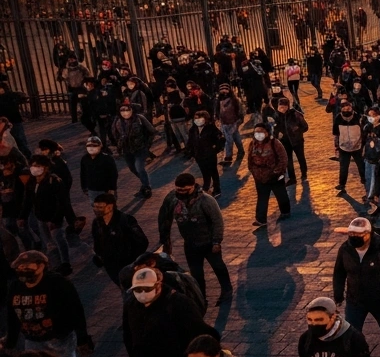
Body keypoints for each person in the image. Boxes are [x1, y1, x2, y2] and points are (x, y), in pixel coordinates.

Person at [3, 251, 94, 357]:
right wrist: (10, 342)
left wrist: (82, 338)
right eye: (19, 267)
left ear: (41, 266)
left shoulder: (58, 283)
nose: (21, 270)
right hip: (32, 340)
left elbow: (76, 311)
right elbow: (12, 315)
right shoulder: (15, 286)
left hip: (59, 340)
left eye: (26, 266)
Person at [331, 217, 380, 357]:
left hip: (379, 300)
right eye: (352, 236)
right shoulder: (346, 248)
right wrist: (338, 294)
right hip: (355, 299)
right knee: (352, 331)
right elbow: (339, 272)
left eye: (358, 236)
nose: (354, 239)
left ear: (368, 234)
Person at [157, 173, 232, 304]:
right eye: (178, 190)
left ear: (193, 186)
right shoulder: (172, 198)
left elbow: (217, 221)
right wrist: (165, 241)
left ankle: (227, 290)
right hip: (190, 243)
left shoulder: (206, 200)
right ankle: (201, 297)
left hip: (208, 242)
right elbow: (164, 219)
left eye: (184, 190)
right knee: (196, 274)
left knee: (218, 267)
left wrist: (217, 241)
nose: (181, 193)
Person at [88, 192, 149, 287]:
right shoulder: (97, 223)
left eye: (100, 207)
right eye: (95, 207)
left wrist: (132, 259)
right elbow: (97, 241)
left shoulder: (126, 221)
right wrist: (99, 256)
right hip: (111, 267)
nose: (96, 210)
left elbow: (143, 242)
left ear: (110, 207)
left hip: (128, 265)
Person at [246, 121, 291, 229]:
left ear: (267, 132)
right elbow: (250, 160)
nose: (258, 134)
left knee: (281, 195)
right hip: (260, 177)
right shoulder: (253, 144)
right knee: (262, 198)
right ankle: (261, 219)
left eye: (261, 132)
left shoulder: (274, 143)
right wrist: (254, 172)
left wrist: (277, 172)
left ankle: (285, 211)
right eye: (256, 132)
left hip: (274, 176)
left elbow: (283, 158)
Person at [109, 102, 155, 197]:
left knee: (139, 167)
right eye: (122, 111)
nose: (125, 113)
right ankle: (144, 182)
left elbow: (152, 131)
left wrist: (147, 145)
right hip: (127, 150)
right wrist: (119, 145)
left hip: (140, 149)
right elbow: (114, 134)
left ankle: (146, 187)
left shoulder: (139, 119)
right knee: (133, 169)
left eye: (127, 110)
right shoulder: (117, 121)